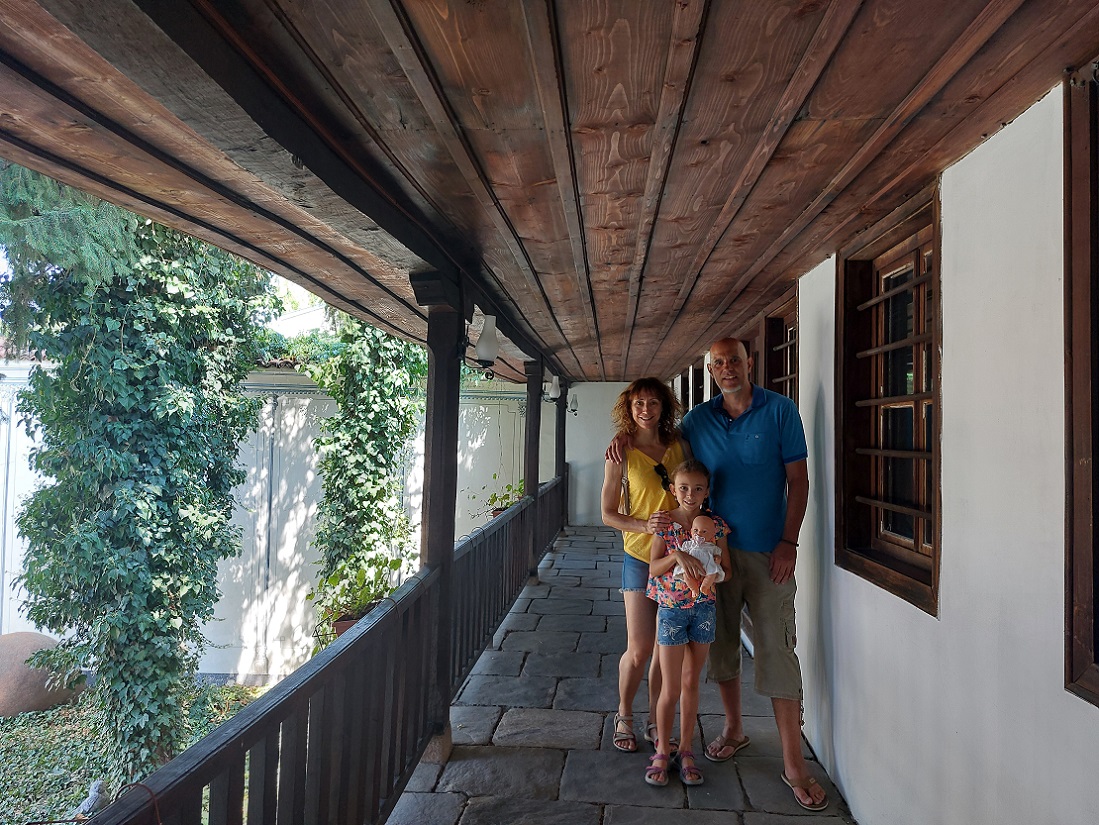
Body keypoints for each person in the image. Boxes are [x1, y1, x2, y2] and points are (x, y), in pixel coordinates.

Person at [680, 337, 824, 811]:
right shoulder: (698, 420)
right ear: (710, 369)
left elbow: (799, 481)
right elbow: (660, 450)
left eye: (734, 361)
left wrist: (789, 542)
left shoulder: (780, 411)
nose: (727, 369)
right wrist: (621, 437)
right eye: (718, 363)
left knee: (777, 650)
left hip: (768, 553)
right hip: (712, 559)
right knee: (720, 646)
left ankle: (793, 762)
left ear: (750, 363)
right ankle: (734, 728)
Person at [600, 377, 687, 754]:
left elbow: (691, 488)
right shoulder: (621, 452)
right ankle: (624, 713)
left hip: (674, 556)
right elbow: (606, 513)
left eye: (653, 403)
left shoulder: (678, 446)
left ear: (663, 407)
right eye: (638, 404)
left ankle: (655, 717)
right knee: (639, 648)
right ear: (629, 408)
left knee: (664, 645)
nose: (646, 410)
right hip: (638, 556)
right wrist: (643, 524)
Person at [644, 460, 730, 787]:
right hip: (671, 611)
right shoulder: (665, 524)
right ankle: (662, 752)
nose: (690, 494)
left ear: (707, 491)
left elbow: (728, 571)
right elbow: (653, 569)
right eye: (683, 488)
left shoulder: (715, 525)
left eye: (697, 488)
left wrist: (713, 571)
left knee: (692, 681)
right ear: (672, 489)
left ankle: (686, 749)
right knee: (671, 686)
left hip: (704, 611)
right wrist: (678, 556)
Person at [674, 514, 725, 599]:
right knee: (686, 574)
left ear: (712, 534)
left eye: (704, 531)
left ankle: (705, 586)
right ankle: (693, 588)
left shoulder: (712, 547)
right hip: (690, 567)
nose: (699, 533)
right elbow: (683, 554)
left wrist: (717, 559)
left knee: (712, 573)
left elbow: (718, 555)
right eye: (695, 530)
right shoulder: (689, 544)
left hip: (707, 567)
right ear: (691, 531)